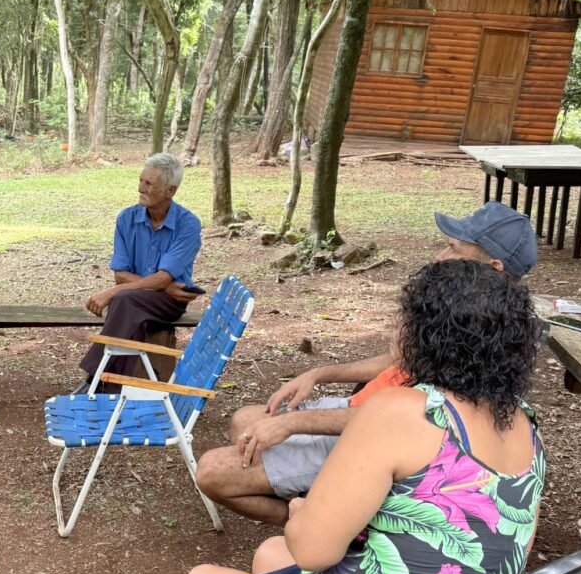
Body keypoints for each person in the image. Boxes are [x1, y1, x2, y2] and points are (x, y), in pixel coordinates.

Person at [179, 259, 545, 574]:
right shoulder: (526, 428)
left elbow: (312, 551)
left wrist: (302, 512)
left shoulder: (403, 410)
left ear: (427, 334)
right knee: (270, 556)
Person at [195, 201, 537, 524]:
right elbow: (398, 363)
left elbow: (399, 420)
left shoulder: (480, 347)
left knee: (212, 469)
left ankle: (319, 519)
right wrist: (319, 373)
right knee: (245, 422)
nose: (440, 256)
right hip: (363, 412)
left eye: (455, 250)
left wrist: (294, 423)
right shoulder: (459, 317)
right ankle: (322, 501)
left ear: (492, 269)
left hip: (372, 435)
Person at [78, 152, 203, 389]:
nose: (140, 189)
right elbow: (120, 274)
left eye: (149, 184)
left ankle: (93, 379)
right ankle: (110, 388)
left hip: (170, 302)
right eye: (140, 181)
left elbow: (161, 276)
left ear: (171, 191)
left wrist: (114, 292)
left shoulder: (188, 224)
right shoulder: (126, 218)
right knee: (127, 302)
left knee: (123, 298)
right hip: (161, 292)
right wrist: (162, 285)